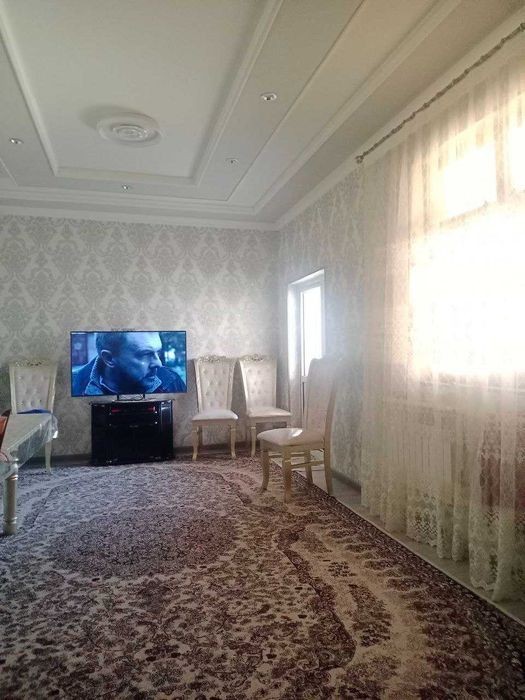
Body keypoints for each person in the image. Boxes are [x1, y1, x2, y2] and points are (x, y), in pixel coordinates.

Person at [72, 331, 186, 396]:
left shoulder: (172, 381)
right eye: (145, 354)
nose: (158, 364)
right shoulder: (74, 384)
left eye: (158, 352)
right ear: (109, 358)